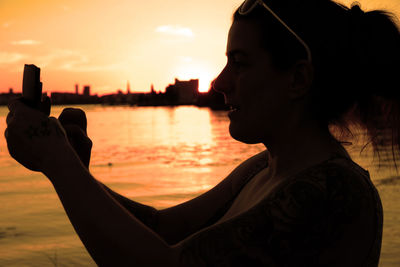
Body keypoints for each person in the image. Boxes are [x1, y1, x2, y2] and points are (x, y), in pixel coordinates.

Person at [5, 0, 400, 265]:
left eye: (239, 63)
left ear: (298, 78)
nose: (218, 82)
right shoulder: (262, 169)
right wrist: (71, 168)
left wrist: (60, 165)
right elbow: (160, 230)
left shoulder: (335, 190)